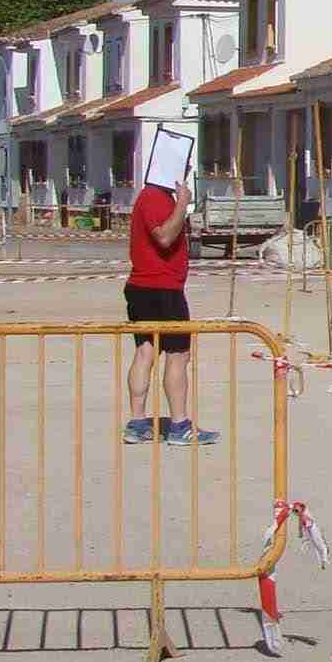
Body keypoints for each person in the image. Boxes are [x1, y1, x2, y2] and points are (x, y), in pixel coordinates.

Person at [123, 157, 214, 446]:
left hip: (147, 287)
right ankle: (178, 425)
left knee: (145, 351)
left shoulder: (152, 197)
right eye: (185, 169)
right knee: (177, 355)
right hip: (160, 288)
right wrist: (182, 205)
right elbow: (164, 236)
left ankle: (138, 424)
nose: (186, 174)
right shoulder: (154, 197)